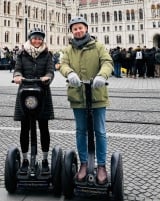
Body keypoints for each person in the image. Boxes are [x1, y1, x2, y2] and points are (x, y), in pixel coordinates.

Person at [59, 17, 113, 184]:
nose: (78, 31)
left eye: (80, 28)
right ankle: (83, 163)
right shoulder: (68, 49)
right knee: (81, 131)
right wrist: (70, 73)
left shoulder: (98, 46)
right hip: (78, 95)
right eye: (75, 29)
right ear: (72, 31)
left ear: (86, 28)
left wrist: (102, 75)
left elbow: (107, 63)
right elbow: (63, 64)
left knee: (100, 131)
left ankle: (102, 165)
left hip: (97, 95)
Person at [13, 27, 54, 174]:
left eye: (40, 38)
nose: (37, 41)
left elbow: (50, 70)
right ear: (30, 39)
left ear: (42, 40)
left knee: (44, 127)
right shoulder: (22, 54)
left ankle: (44, 159)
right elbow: (17, 69)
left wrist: (48, 77)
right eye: (34, 38)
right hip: (25, 94)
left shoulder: (47, 54)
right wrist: (17, 76)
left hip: (42, 93)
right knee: (25, 128)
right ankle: (25, 159)